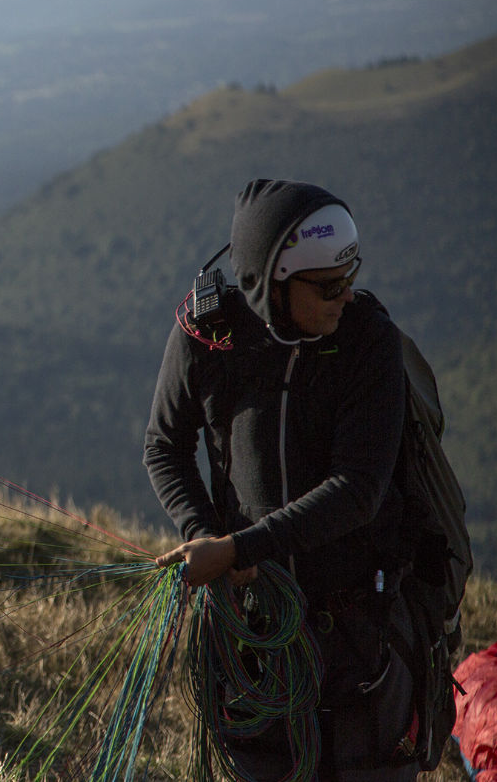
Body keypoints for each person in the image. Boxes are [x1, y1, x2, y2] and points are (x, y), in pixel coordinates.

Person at [144, 179, 419, 780]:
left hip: (357, 638)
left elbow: (359, 488)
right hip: (254, 637)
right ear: (271, 281)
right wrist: (203, 535)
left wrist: (239, 548)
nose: (345, 296)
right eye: (327, 286)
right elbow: (164, 445)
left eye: (351, 277)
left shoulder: (367, 338)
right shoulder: (207, 335)